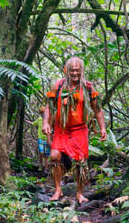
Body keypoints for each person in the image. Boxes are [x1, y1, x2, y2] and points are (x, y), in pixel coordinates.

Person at [42, 57, 107, 203]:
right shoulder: (58, 86)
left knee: (81, 162)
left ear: (82, 71)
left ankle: (79, 193)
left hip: (79, 130)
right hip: (61, 129)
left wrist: (103, 128)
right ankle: (58, 190)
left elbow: (97, 109)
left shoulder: (88, 87)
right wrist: (46, 122)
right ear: (67, 70)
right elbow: (48, 106)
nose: (75, 73)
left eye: (77, 70)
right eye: (72, 70)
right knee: (54, 156)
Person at [31, 106, 51, 173]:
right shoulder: (39, 119)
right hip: (41, 139)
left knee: (46, 155)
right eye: (41, 113)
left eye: (44, 113)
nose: (43, 115)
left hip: (47, 139)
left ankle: (46, 168)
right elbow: (33, 123)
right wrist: (28, 121)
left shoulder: (49, 119)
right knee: (41, 152)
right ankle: (41, 165)